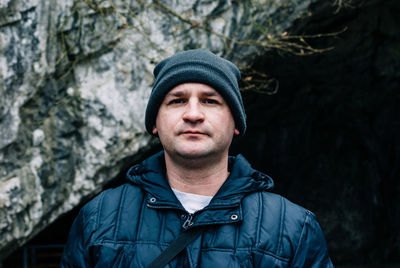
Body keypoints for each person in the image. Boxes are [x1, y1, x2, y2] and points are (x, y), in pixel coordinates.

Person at [60, 49, 334, 267]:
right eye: (177, 100)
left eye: (210, 101)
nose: (193, 114)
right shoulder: (99, 218)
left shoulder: (292, 228)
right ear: (155, 122)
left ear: (236, 123)